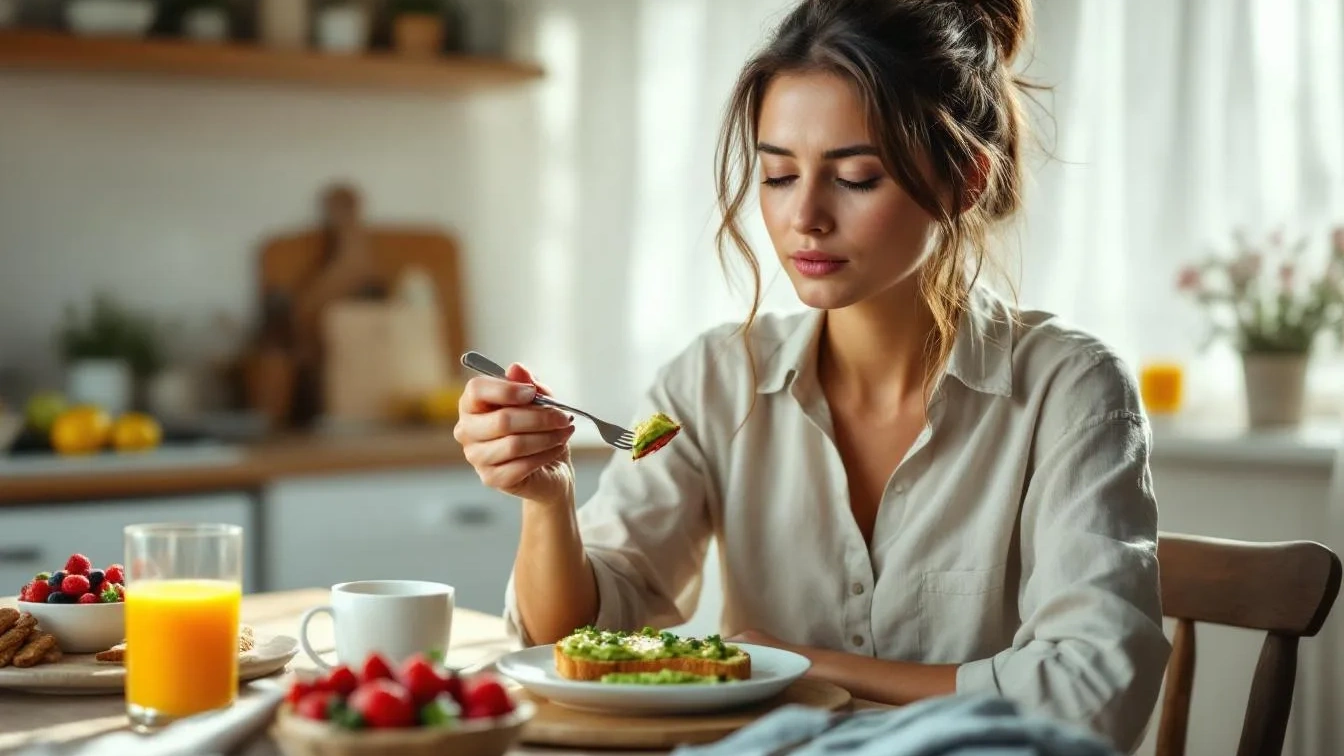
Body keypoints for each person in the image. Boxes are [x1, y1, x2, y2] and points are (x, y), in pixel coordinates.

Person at [452, 0, 1170, 751]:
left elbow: (1093, 694)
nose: (805, 218)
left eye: (856, 177)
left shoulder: (1073, 391)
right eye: (777, 174)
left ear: (964, 177)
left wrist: (807, 666)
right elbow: (579, 645)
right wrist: (549, 499)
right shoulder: (711, 382)